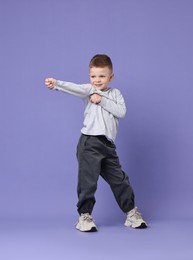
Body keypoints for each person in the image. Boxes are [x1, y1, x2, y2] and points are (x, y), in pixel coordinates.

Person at [44, 54, 147, 232]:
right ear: (89, 76)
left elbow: (121, 112)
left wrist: (102, 99)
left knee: (120, 180)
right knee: (88, 182)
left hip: (108, 146)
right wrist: (57, 84)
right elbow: (74, 88)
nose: (97, 80)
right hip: (89, 143)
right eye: (93, 76)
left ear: (111, 77)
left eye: (102, 76)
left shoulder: (115, 94)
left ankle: (131, 213)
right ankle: (84, 216)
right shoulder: (88, 89)